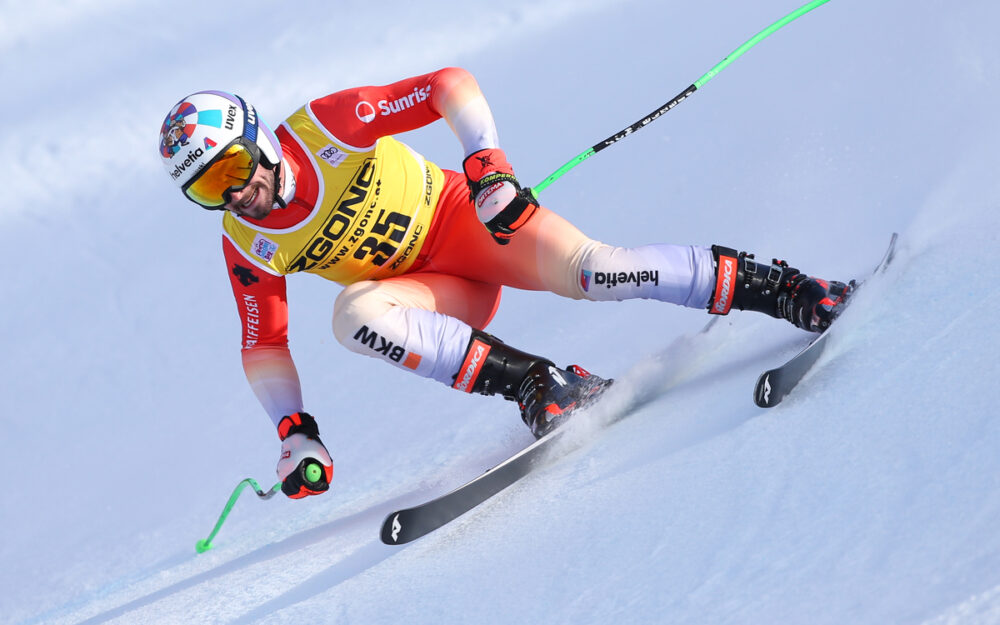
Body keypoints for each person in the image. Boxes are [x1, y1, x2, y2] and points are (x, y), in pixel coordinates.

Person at [158, 67, 853, 499]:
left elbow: (446, 85)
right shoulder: (248, 242)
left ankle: (789, 289)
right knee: (352, 316)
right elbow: (264, 343)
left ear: (259, 138)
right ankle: (541, 385)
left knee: (598, 271)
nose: (237, 192)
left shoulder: (325, 129)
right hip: (434, 292)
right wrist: (295, 430)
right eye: (209, 189)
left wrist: (487, 164)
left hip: (474, 225)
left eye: (234, 165)